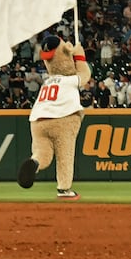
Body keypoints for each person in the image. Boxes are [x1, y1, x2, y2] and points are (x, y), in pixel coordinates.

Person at [17, 32, 90, 200]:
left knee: (43, 153)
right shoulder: (67, 80)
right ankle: (64, 189)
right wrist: (79, 57)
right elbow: (84, 76)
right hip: (62, 117)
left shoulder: (47, 82)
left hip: (37, 119)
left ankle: (34, 163)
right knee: (65, 154)